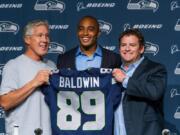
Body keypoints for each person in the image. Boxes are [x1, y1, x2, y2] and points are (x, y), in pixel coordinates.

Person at [0, 20, 56, 135]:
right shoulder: (13, 65)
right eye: (40, 35)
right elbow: (5, 102)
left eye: (47, 36)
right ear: (27, 39)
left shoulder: (51, 66)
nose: (45, 40)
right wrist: (34, 82)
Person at [112, 29, 167, 135]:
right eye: (123, 45)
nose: (127, 49)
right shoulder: (114, 71)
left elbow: (154, 92)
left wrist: (124, 80)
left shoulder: (156, 69)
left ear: (141, 49)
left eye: (132, 45)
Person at [57, 15, 121, 70]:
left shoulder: (114, 59)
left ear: (98, 33)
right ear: (77, 32)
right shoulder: (63, 59)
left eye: (90, 29)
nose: (85, 33)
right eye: (81, 29)